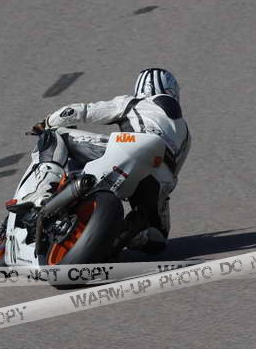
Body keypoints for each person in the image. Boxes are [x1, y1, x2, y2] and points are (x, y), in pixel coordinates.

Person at [18, 68, 190, 254]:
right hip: (160, 178)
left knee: (54, 135)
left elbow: (82, 111)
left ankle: (40, 192)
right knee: (158, 239)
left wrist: (47, 122)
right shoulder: (186, 133)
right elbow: (175, 173)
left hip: (133, 147)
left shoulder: (135, 102)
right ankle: (126, 234)